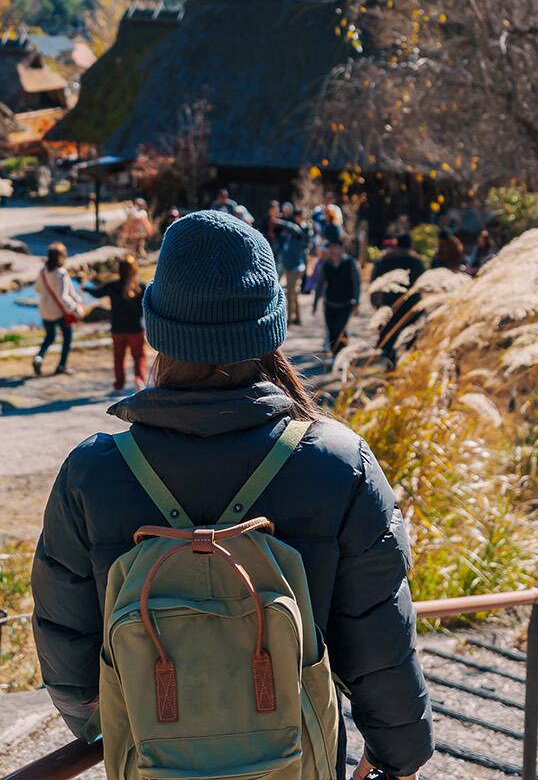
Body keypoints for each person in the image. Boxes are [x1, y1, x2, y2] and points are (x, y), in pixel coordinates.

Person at [31, 210, 433, 780]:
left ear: (158, 329)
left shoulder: (91, 474)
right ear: (271, 328)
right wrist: (400, 758)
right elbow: (380, 639)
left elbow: (67, 657)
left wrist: (134, 720)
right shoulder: (338, 463)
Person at [87, 256, 148, 391]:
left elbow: (97, 293)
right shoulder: (141, 287)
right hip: (136, 329)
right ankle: (139, 380)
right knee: (138, 356)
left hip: (118, 329)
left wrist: (84, 287)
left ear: (119, 271)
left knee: (119, 358)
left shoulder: (112, 286)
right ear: (134, 270)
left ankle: (119, 384)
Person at [33, 242, 84, 376]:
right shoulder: (60, 274)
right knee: (67, 338)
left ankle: (39, 357)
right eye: (64, 254)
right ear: (59, 257)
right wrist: (75, 308)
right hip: (59, 312)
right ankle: (61, 365)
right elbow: (63, 296)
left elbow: (37, 288)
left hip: (45, 310)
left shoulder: (43, 271)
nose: (66, 256)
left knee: (49, 337)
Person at [313, 239, 361, 353]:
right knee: (332, 332)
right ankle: (336, 355)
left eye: (335, 247)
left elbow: (357, 284)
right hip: (329, 304)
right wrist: (315, 304)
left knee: (340, 329)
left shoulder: (350, 263)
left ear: (342, 249)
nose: (333, 250)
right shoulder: (326, 265)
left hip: (346, 304)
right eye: (330, 248)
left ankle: (342, 355)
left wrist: (357, 303)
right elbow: (319, 285)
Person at [271, 204, 314, 325]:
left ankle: (289, 319)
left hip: (298, 265)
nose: (301, 218)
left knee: (290, 292)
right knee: (294, 292)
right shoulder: (293, 229)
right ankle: (297, 318)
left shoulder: (305, 228)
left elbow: (296, 230)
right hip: (289, 263)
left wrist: (280, 222)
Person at [370, 236, 427, 307]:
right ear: (410, 245)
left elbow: (375, 279)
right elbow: (423, 281)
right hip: (411, 302)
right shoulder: (416, 261)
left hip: (389, 300)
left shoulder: (386, 259)